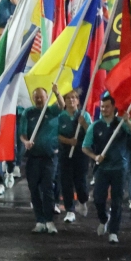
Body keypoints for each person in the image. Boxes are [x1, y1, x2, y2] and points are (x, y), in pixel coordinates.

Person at [81, 93, 131, 244]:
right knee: (98, 199)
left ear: (114, 107)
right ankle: (104, 218)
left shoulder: (121, 124)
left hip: (119, 169)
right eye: (102, 107)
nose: (104, 109)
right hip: (102, 169)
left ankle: (114, 231)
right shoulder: (95, 126)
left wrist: (128, 122)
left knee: (117, 201)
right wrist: (95, 157)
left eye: (107, 106)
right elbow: (84, 147)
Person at [19, 84, 63, 233]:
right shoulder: (28, 113)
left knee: (48, 188)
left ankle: (50, 220)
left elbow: (62, 105)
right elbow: (22, 133)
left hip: (50, 157)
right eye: (36, 97)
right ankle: (39, 220)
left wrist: (57, 93)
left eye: (41, 97)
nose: (39, 99)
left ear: (46, 98)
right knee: (34, 189)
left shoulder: (51, 111)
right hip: (33, 158)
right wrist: (26, 142)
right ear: (32, 98)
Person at [56, 89, 90, 223]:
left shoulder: (84, 115)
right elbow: (57, 134)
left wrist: (84, 124)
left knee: (80, 181)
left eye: (74, 98)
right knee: (66, 182)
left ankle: (82, 201)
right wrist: (68, 141)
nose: (71, 100)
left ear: (78, 101)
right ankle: (70, 210)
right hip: (65, 153)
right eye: (68, 98)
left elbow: (90, 133)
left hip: (81, 154)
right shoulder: (60, 117)